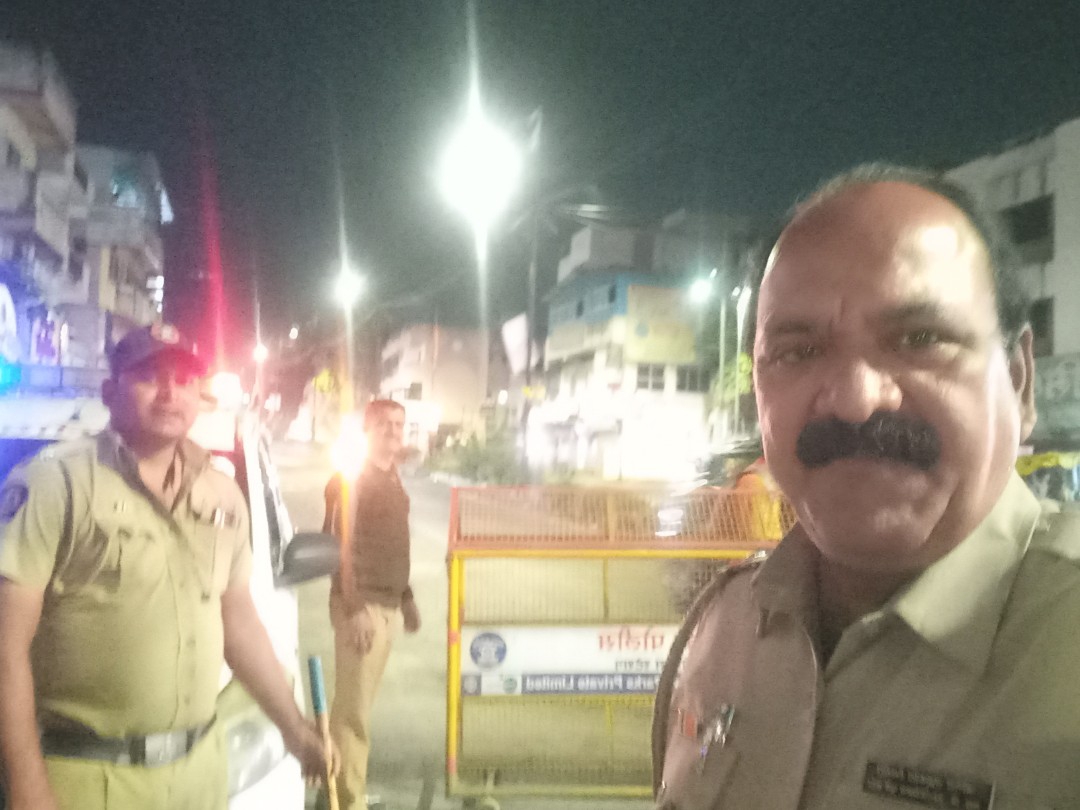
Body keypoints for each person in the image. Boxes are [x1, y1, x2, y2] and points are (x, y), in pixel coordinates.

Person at [652, 166, 1080, 809]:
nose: (855, 401)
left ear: (1019, 381)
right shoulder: (722, 633)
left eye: (920, 339)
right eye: (798, 351)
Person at [0, 324, 336, 810]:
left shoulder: (221, 495)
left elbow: (239, 621)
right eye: (149, 376)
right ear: (110, 392)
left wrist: (295, 729)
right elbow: (6, 645)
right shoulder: (58, 485)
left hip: (201, 772)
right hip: (91, 777)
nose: (169, 393)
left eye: (183, 379)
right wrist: (26, 783)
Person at [325, 399, 421, 810]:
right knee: (353, 716)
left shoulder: (392, 477)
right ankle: (347, 802)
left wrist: (406, 597)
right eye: (384, 423)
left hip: (386, 606)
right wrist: (354, 606)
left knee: (358, 710)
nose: (394, 430)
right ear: (367, 430)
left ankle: (336, 792)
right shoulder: (353, 478)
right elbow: (338, 544)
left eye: (399, 423)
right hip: (362, 609)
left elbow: (390, 545)